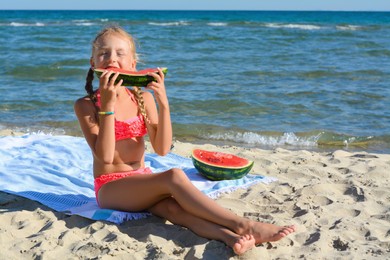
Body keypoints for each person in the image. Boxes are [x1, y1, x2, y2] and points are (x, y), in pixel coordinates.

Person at [74, 25, 296, 255]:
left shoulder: (142, 97)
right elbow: (106, 156)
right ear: (93, 63)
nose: (112, 59)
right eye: (104, 53)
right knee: (174, 175)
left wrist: (163, 102)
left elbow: (161, 149)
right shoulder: (86, 105)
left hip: (141, 180)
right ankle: (243, 224)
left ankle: (230, 238)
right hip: (110, 188)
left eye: (120, 53)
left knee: (173, 209)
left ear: (133, 63)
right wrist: (108, 107)